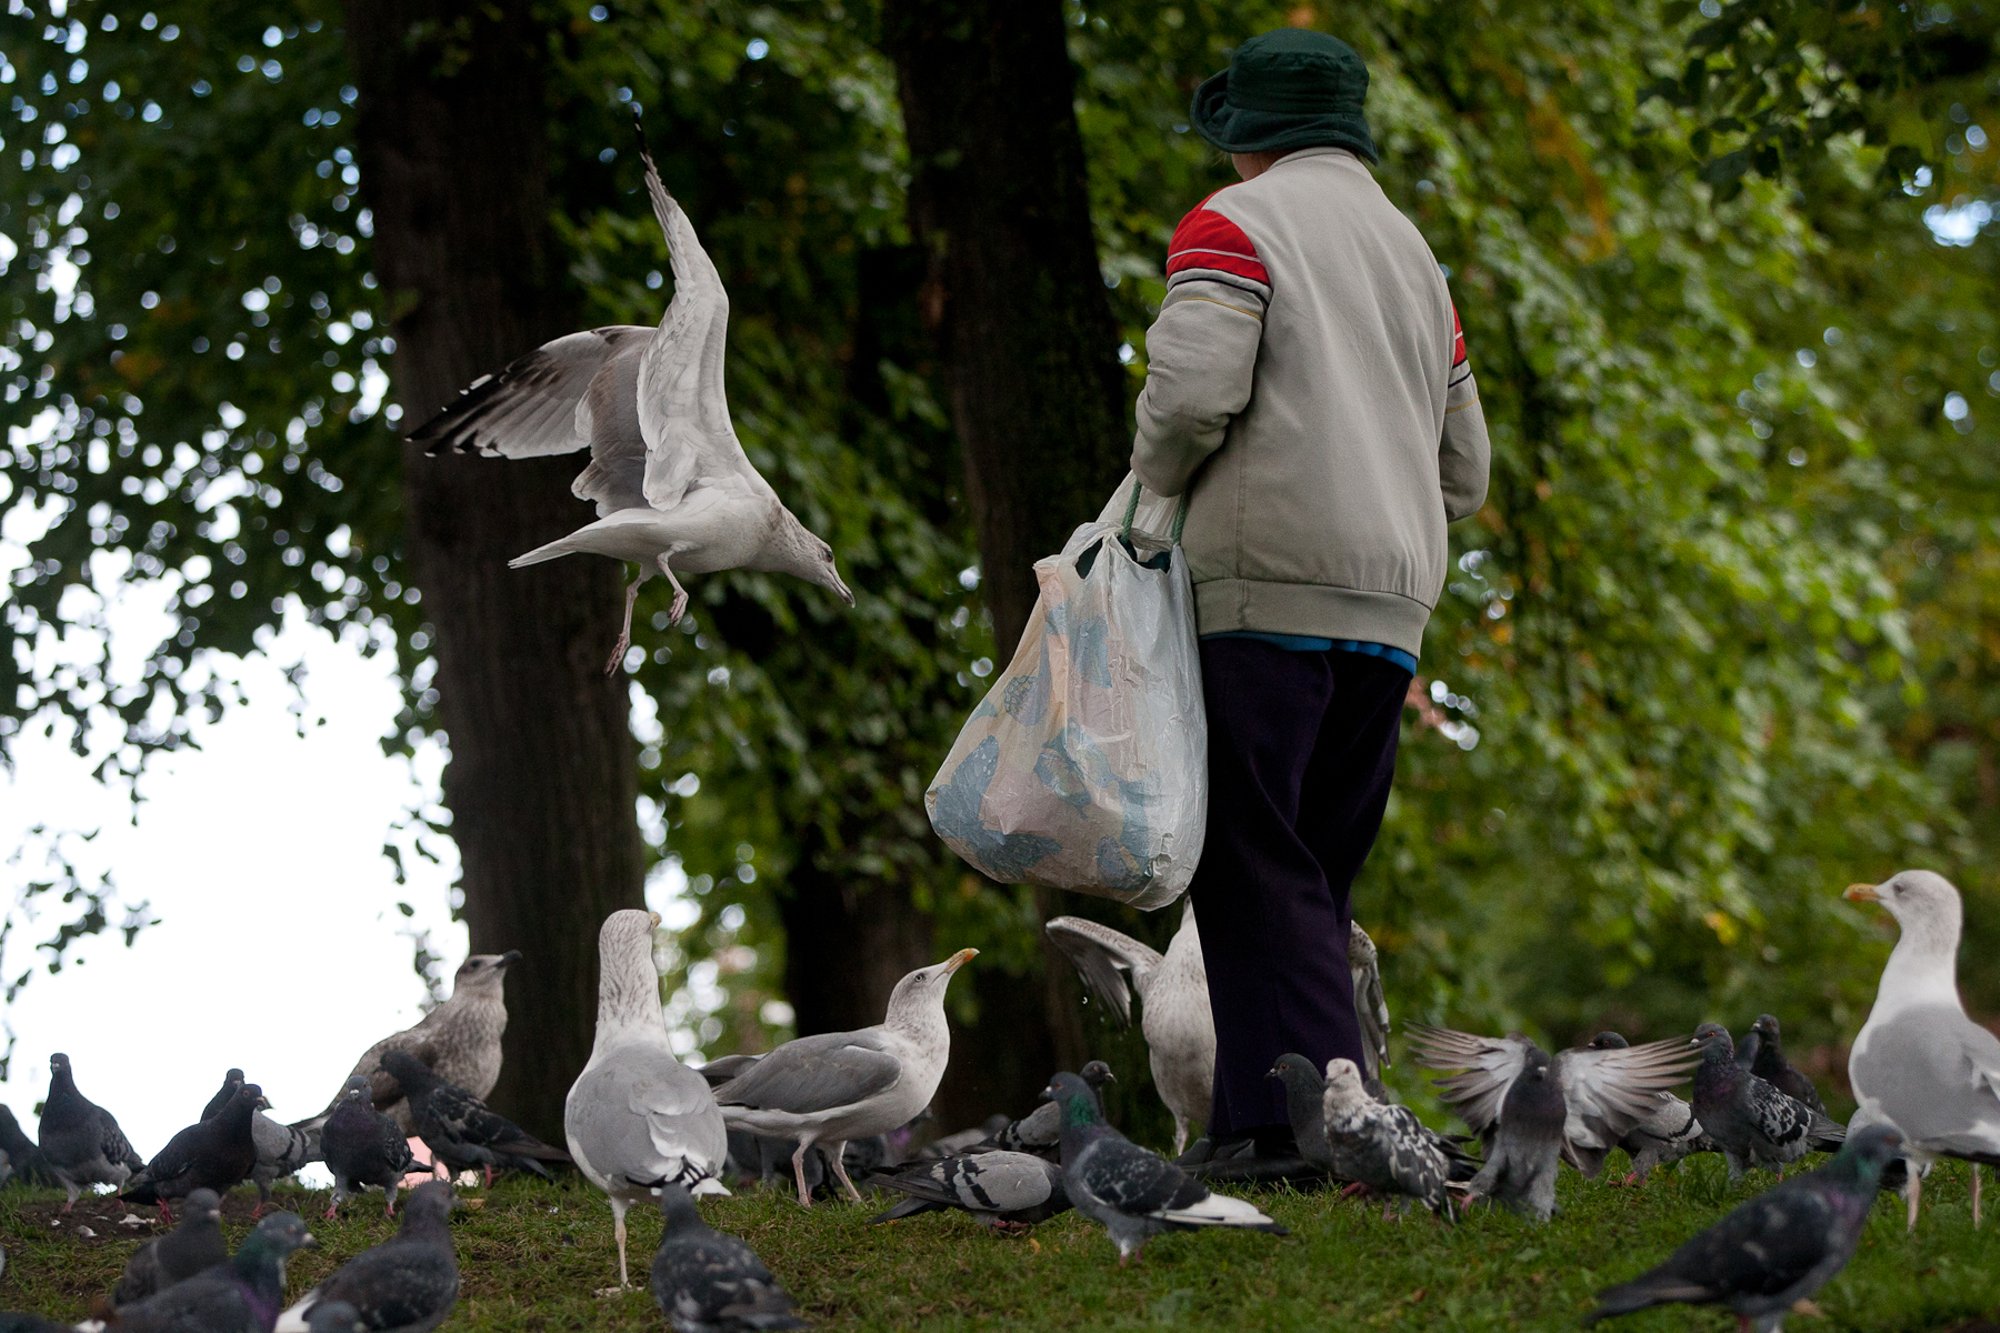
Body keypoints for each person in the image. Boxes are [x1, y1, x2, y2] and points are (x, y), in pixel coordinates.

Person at [1130, 28, 1491, 1177]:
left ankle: (1322, 1126)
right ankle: (1258, 1123)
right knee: (1312, 873)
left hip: (1260, 586)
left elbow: (1188, 401)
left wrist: (1149, 485)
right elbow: (1467, 471)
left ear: (1249, 136)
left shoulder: (1232, 225)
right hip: (1391, 609)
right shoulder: (1415, 258)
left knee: (1250, 862)